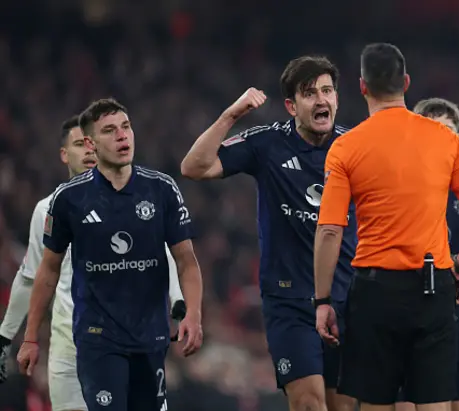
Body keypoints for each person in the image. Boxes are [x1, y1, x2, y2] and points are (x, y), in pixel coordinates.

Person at [313, 43, 459, 411]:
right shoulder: (445, 139)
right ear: (407, 83)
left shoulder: (346, 147)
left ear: (362, 86)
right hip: (433, 289)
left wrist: (322, 300)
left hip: (374, 293)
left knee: (376, 403)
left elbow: (331, 230)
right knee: (433, 403)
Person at [180, 56, 357, 411]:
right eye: (310, 93)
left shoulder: (356, 147)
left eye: (327, 91)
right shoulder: (267, 143)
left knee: (343, 407)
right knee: (309, 403)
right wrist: (231, 115)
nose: (321, 100)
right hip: (289, 302)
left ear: (337, 98)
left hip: (347, 298)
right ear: (291, 106)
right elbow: (193, 166)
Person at [16, 98, 204, 411]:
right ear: (90, 143)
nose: (122, 136)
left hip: (151, 337)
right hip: (98, 338)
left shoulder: (161, 190)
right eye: (109, 130)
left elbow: (186, 261)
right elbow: (48, 271)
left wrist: (193, 314)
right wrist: (31, 336)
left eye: (126, 127)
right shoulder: (69, 200)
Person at [392, 98, 459, 411]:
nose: (443, 139)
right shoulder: (397, 189)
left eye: (450, 132)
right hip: (409, 320)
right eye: (434, 131)